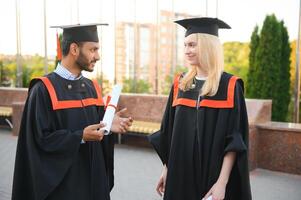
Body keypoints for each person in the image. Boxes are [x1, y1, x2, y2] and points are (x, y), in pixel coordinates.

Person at [12, 23, 133, 200]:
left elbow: (97, 129)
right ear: (74, 49)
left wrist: (108, 124)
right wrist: (80, 137)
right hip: (64, 187)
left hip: (92, 184)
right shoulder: (43, 89)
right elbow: (38, 142)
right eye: (93, 50)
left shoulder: (91, 88)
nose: (97, 56)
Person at [148, 17, 252, 200]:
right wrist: (167, 170)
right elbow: (169, 133)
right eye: (185, 45)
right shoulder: (181, 84)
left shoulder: (229, 86)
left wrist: (222, 183)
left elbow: (234, 141)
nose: (187, 51)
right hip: (180, 176)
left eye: (192, 45)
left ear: (208, 46)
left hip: (211, 176)